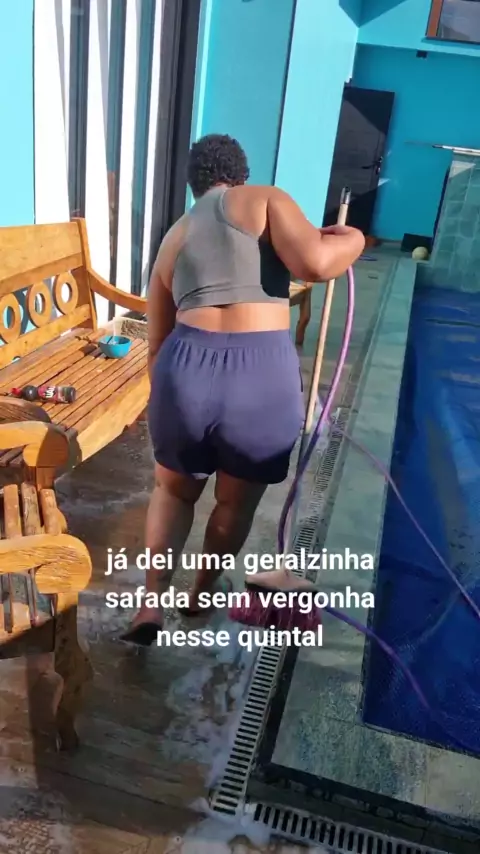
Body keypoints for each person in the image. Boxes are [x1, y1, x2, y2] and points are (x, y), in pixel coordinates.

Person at [122, 133, 365, 644]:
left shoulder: (174, 236)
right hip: (259, 370)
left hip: (183, 368)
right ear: (240, 175)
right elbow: (317, 264)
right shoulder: (265, 199)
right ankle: (199, 594)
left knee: (172, 491)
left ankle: (150, 605)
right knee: (233, 505)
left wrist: (172, 397)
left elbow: (155, 342)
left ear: (194, 185)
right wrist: (353, 238)